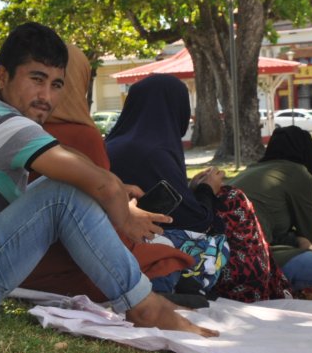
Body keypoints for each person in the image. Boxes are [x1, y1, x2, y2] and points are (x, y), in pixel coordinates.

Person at [0, 22, 215, 337]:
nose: (46, 97)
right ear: (2, 77)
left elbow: (74, 162)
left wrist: (117, 190)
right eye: (36, 79)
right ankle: (143, 305)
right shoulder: (7, 125)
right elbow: (96, 184)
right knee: (62, 193)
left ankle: (142, 298)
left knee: (65, 188)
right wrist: (123, 215)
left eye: (56, 85)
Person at [20, 45, 194, 299]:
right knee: (173, 255)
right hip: (73, 270)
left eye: (57, 84)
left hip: (20, 265)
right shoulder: (82, 136)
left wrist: (119, 192)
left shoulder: (11, 129)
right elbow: (101, 231)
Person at [106, 74, 289, 303]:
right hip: (149, 250)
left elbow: (169, 201)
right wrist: (207, 191)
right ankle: (256, 289)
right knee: (233, 198)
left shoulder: (113, 144)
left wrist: (190, 189)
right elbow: (195, 222)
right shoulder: (155, 150)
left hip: (115, 249)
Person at [231, 126, 312, 290]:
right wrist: (298, 239)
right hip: (250, 261)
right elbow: (310, 239)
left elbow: (266, 229)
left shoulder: (250, 170)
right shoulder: (297, 172)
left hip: (220, 258)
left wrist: (294, 239)